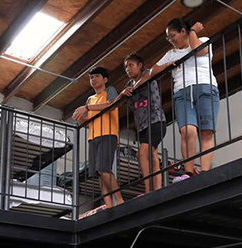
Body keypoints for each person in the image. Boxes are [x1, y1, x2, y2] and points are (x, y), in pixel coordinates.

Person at [134, 19, 220, 182]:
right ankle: (189, 172)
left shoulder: (203, 40)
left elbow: (198, 50)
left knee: (206, 132)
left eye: (172, 35)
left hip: (206, 88)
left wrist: (193, 31)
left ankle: (205, 171)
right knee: (187, 131)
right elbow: (153, 71)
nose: (171, 40)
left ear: (183, 31)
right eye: (168, 38)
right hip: (182, 92)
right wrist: (167, 65)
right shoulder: (171, 54)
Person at [72, 67, 124, 210]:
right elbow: (88, 123)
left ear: (105, 79)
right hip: (93, 136)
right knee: (100, 173)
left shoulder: (110, 91)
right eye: (91, 77)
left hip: (108, 133)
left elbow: (112, 105)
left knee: (103, 168)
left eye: (96, 76)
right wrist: (80, 118)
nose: (93, 79)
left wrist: (87, 108)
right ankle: (108, 204)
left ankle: (119, 200)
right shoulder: (90, 99)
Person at [120, 54, 166, 194]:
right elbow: (120, 100)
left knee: (141, 154)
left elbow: (146, 78)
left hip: (156, 120)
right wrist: (122, 94)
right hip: (142, 127)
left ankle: (148, 190)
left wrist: (128, 91)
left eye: (131, 65)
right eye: (126, 67)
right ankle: (157, 189)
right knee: (152, 156)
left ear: (139, 65)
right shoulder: (128, 85)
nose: (128, 69)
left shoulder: (147, 73)